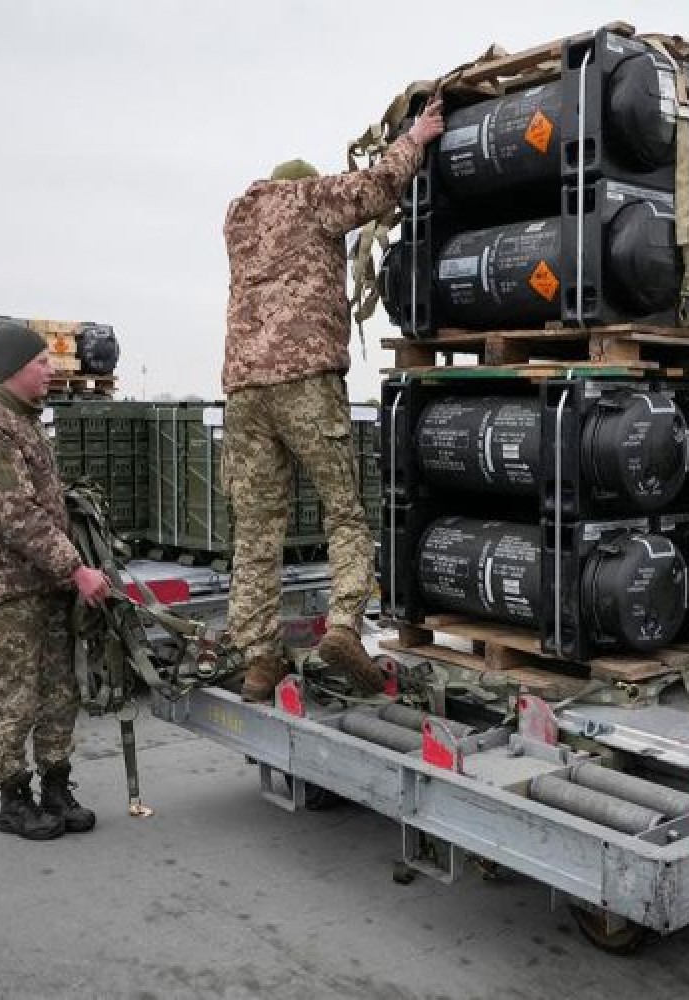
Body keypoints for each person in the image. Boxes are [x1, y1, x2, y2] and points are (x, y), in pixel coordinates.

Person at [222, 97, 445, 703]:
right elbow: (374, 189)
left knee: (258, 529)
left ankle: (259, 662)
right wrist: (416, 138)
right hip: (305, 380)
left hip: (242, 390)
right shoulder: (309, 201)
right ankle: (344, 627)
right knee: (343, 512)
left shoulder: (238, 221)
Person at [0, 321, 112, 841]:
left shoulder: (24, 423)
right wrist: (76, 567)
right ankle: (13, 797)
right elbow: (16, 514)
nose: (52, 371)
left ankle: (56, 784)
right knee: (17, 692)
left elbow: (45, 503)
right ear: (15, 368)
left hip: (46, 583)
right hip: (14, 585)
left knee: (59, 689)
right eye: (43, 362)